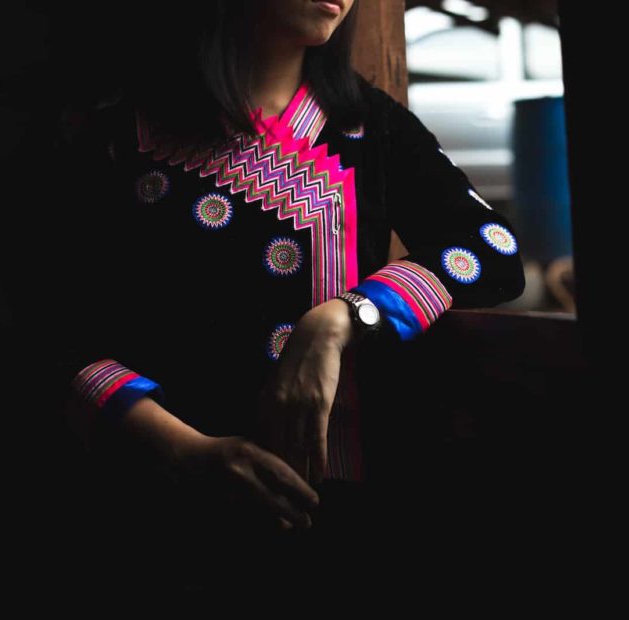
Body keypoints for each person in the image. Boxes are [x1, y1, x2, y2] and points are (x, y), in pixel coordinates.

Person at [45, 0, 525, 594]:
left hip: (342, 523)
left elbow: (492, 248)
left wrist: (344, 317)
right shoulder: (121, 139)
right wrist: (185, 452)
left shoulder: (369, 128)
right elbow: (50, 331)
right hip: (154, 525)